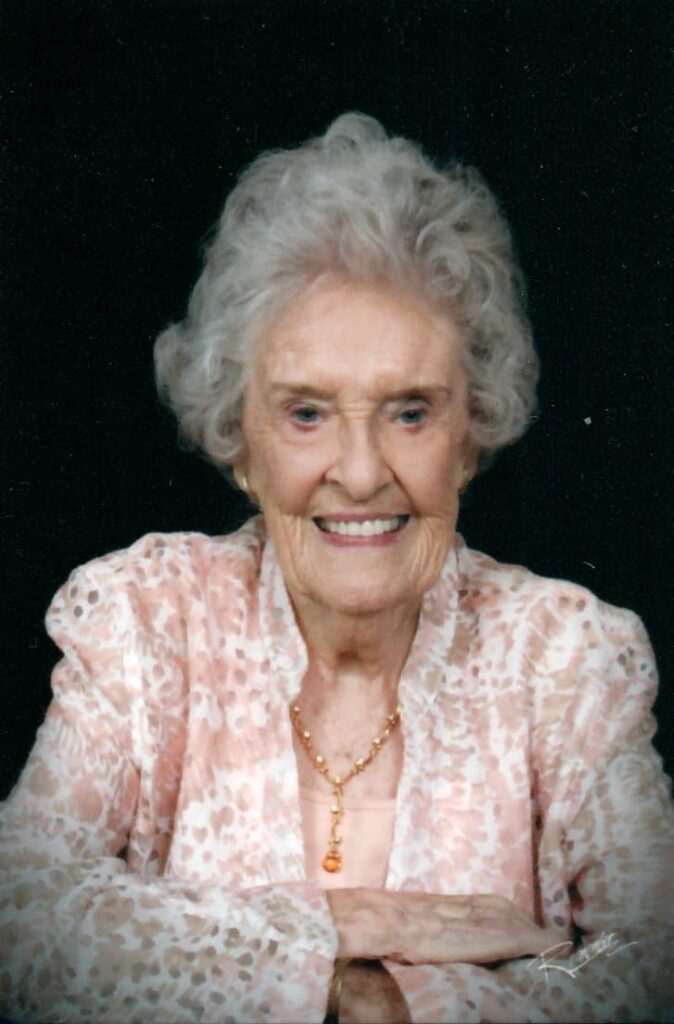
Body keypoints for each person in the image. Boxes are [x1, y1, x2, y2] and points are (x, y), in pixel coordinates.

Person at [0, 113, 672, 1024]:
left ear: (470, 439)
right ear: (242, 445)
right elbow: (16, 918)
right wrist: (334, 934)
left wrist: (391, 1004)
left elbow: (653, 966)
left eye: (410, 411)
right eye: (307, 413)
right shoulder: (146, 619)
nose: (359, 473)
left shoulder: (565, 657)